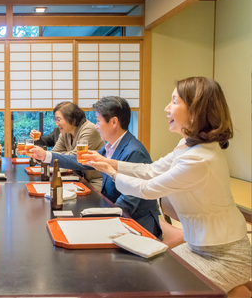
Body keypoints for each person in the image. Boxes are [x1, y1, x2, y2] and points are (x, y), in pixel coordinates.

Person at [86, 77, 251, 297]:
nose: (166, 108)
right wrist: (108, 162)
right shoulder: (187, 146)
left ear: (195, 110)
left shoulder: (200, 159)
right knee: (152, 275)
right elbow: (152, 170)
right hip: (196, 246)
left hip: (224, 254)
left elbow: (148, 188)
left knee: (162, 288)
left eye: (174, 101)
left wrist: (111, 172)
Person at [31, 97, 162, 239]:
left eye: (99, 121)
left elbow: (127, 203)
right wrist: (45, 156)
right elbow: (80, 161)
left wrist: (96, 219)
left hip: (137, 225)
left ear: (113, 122)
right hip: (115, 213)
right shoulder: (109, 147)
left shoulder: (134, 151)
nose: (96, 125)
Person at [36, 101, 104, 190]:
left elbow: (75, 158)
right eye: (55, 120)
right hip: (76, 178)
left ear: (72, 119)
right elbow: (54, 153)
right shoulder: (65, 132)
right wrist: (40, 156)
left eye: (59, 119)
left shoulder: (89, 129)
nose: (56, 123)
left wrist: (47, 155)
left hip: (94, 182)